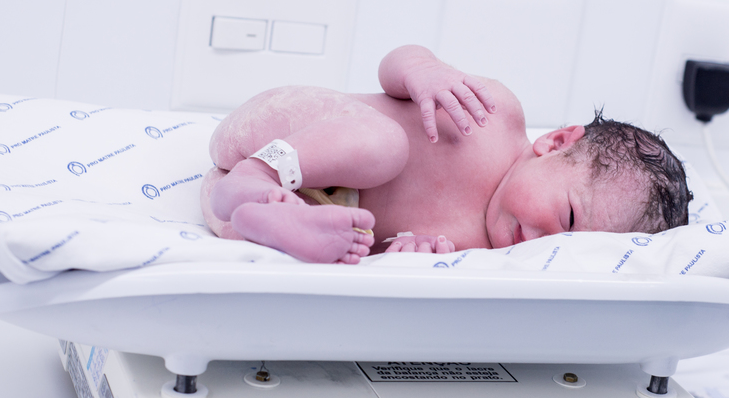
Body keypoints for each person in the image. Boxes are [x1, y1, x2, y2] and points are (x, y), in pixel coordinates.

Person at [201, 45, 691, 263]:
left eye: (565, 250)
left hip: (265, 206)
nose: (545, 242)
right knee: (384, 145)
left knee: (348, 240)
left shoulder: (479, 253)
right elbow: (395, 64)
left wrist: (403, 253)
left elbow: (379, 247)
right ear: (556, 143)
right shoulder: (492, 114)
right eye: (566, 218)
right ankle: (255, 178)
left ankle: (263, 214)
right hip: (278, 134)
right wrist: (422, 70)